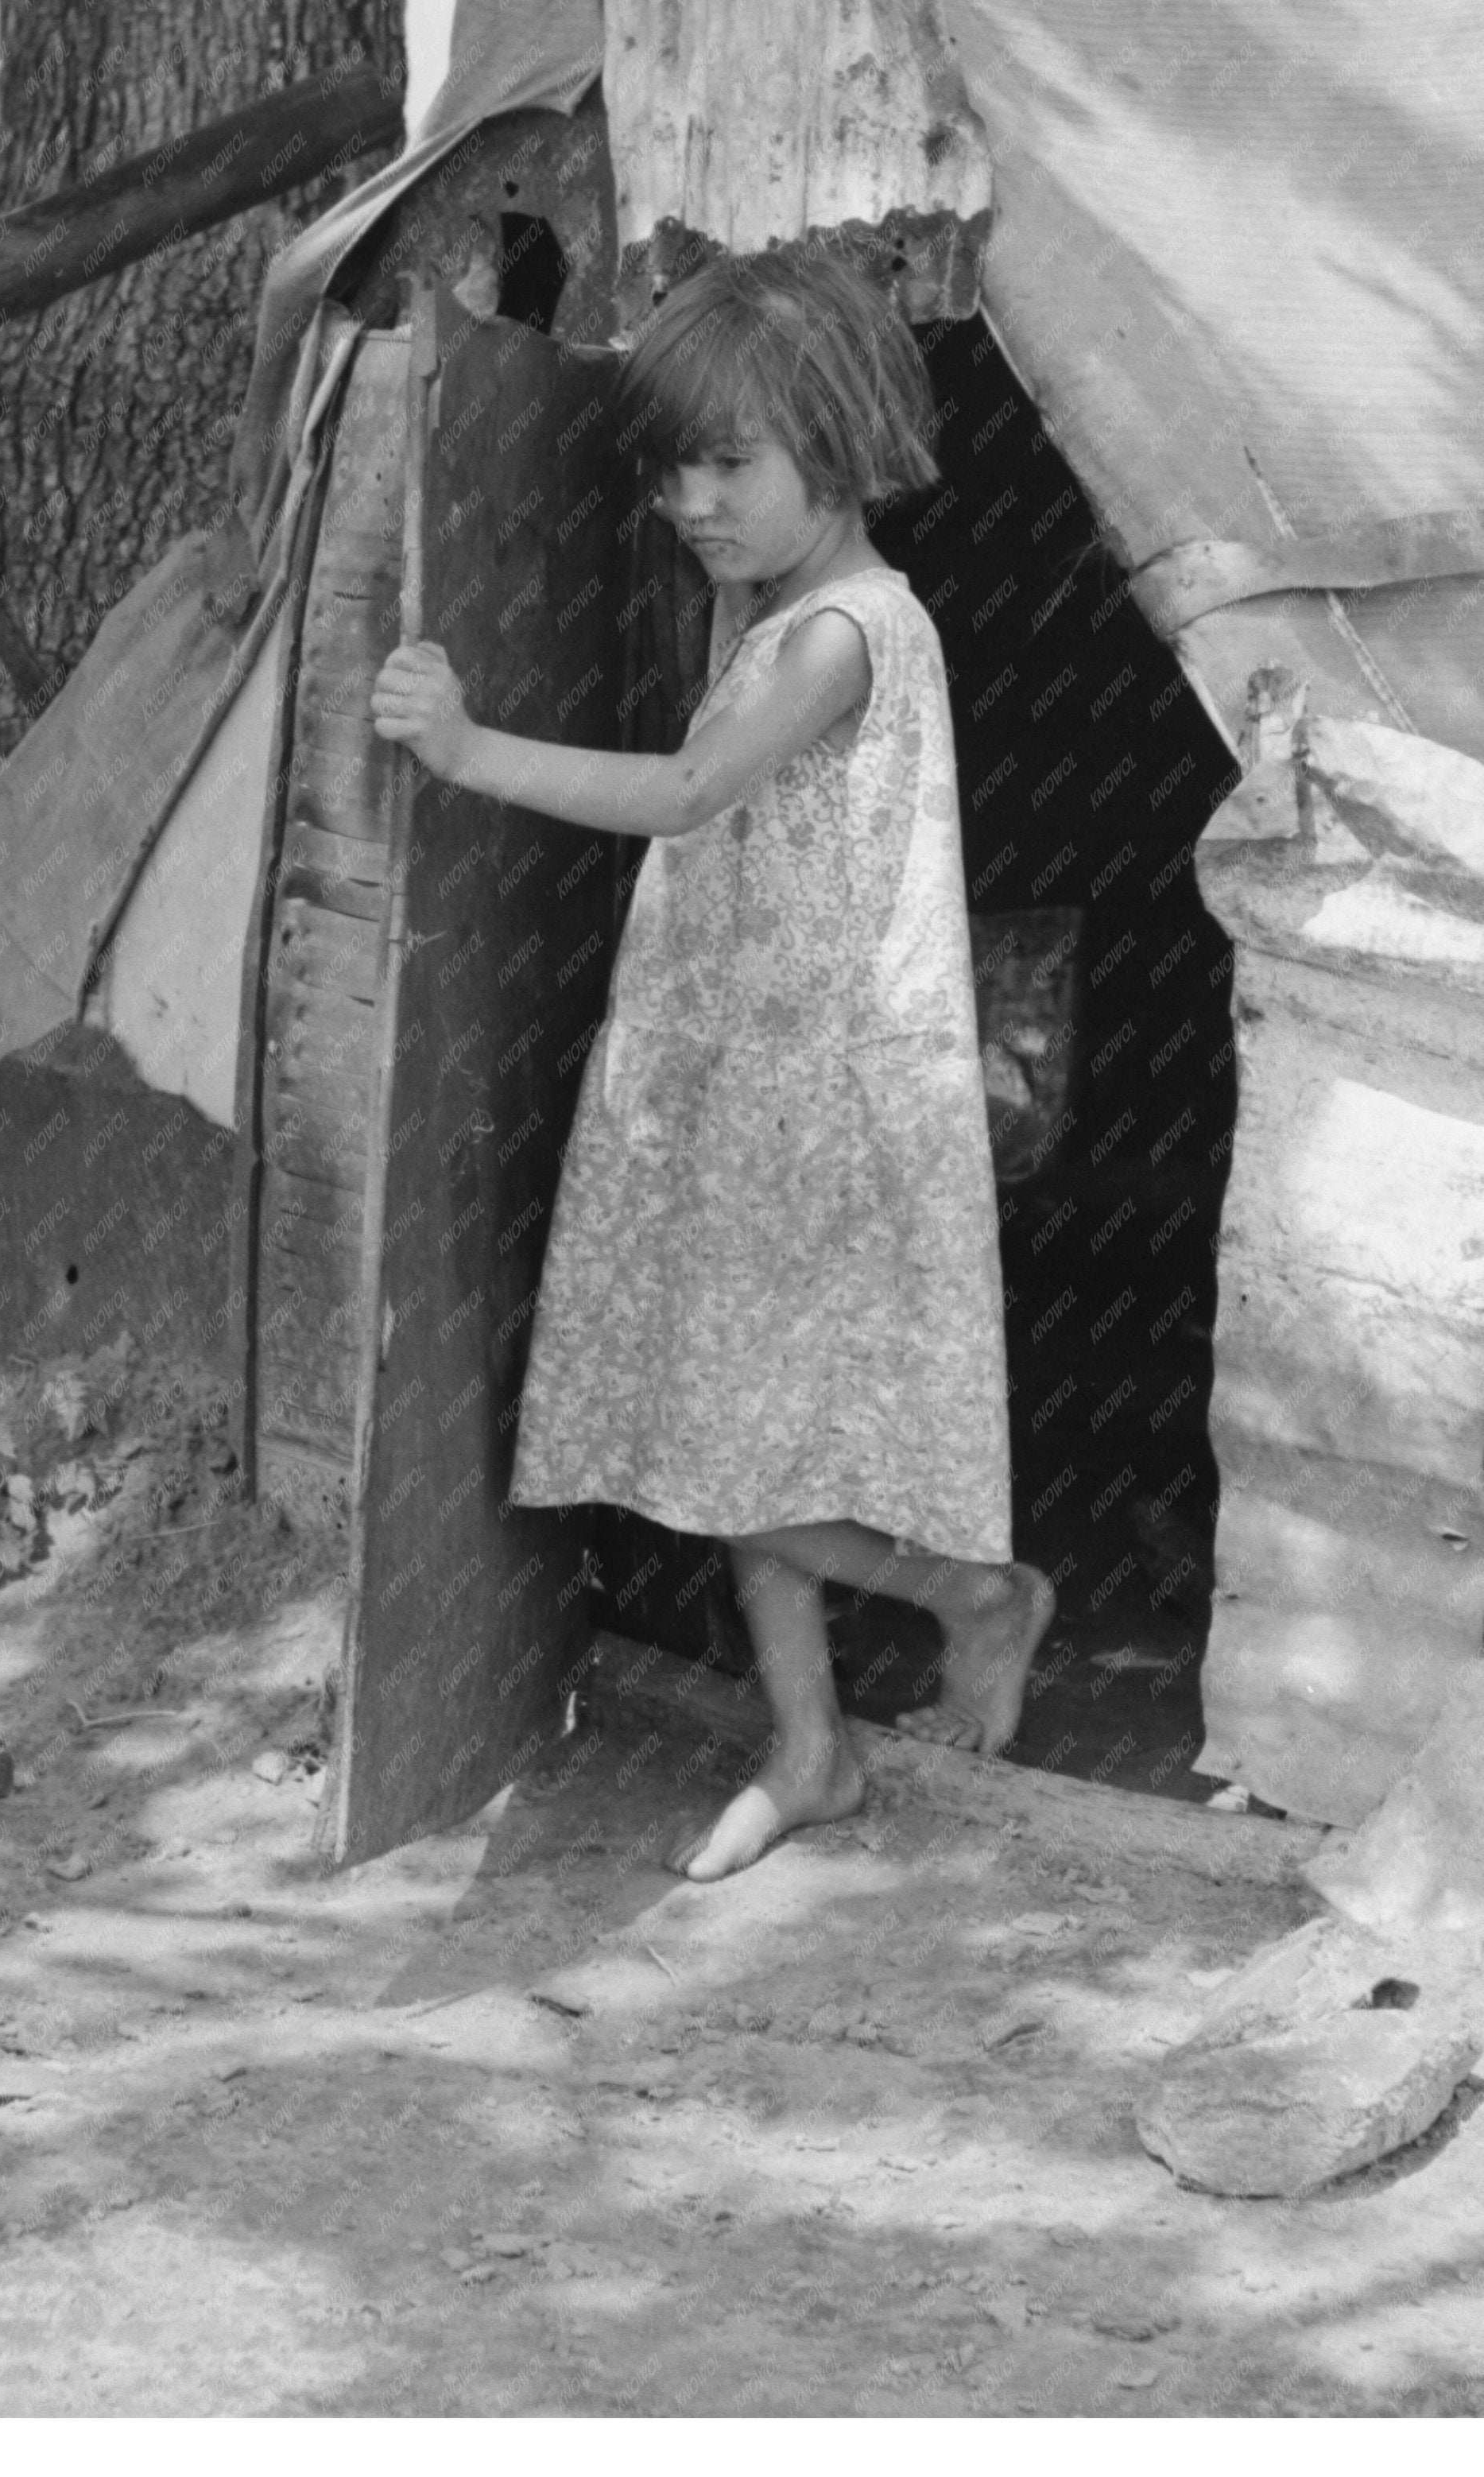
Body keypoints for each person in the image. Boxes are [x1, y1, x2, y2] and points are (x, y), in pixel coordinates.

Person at [370, 246, 1054, 1882]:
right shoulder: (770, 613)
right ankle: (809, 1745)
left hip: (812, 1097)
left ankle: (977, 1590)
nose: (692, 498)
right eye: (672, 463)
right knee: (731, 1416)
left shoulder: (841, 636)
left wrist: (462, 749)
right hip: (734, 1082)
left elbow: (686, 798)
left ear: (840, 435)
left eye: (730, 462)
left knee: (734, 1437)